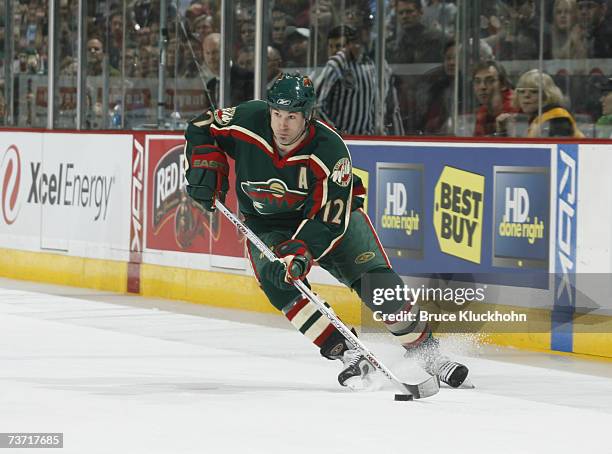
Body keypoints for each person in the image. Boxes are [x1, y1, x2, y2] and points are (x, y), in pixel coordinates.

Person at [183, 73, 470, 389]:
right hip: (267, 225)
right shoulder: (248, 118)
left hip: (332, 220)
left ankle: (428, 354)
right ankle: (347, 351)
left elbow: (330, 219)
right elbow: (200, 127)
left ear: (307, 115)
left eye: (292, 116)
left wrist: (302, 249)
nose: (282, 124)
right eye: (277, 114)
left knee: (378, 284)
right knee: (279, 284)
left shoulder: (330, 150)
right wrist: (205, 161)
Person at [315, 25, 401, 135]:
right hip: (342, 140)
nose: (334, 51)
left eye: (339, 46)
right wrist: (334, 131)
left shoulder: (372, 65)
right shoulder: (337, 64)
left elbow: (383, 106)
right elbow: (315, 104)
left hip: (367, 139)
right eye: (330, 46)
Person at [496, 69, 584, 137]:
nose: (526, 96)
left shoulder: (557, 117)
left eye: (534, 91)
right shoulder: (535, 119)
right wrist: (503, 132)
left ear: (547, 94)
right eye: (522, 91)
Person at [472, 60, 517, 136]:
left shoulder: (516, 107)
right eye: (477, 81)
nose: (482, 87)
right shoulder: (481, 113)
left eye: (490, 81)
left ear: (503, 85)